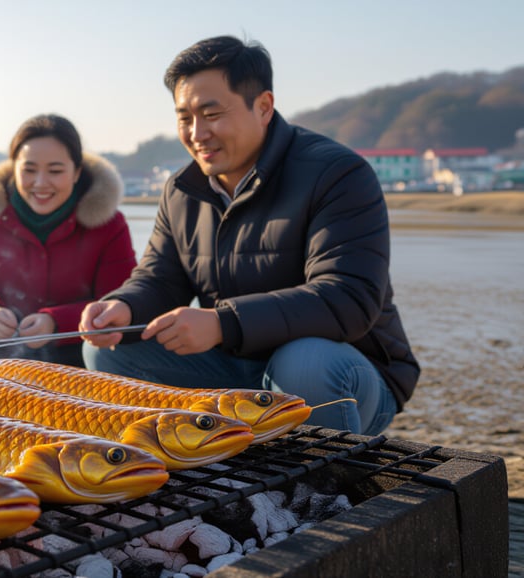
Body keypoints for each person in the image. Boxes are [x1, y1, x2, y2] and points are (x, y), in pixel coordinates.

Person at [79, 36, 419, 435]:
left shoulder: (338, 174)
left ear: (263, 107)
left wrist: (223, 323)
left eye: (211, 113)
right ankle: (213, 450)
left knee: (304, 363)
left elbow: (349, 298)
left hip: (346, 373)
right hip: (235, 367)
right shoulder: (182, 190)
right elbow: (161, 277)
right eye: (184, 117)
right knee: (108, 352)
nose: (197, 132)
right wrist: (124, 307)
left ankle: (326, 485)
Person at [0, 114, 136, 367]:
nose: (41, 183)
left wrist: (55, 322)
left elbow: (119, 301)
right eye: (29, 170)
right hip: (10, 342)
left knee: (112, 353)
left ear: (76, 172)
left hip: (78, 345)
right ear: (14, 169)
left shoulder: (108, 222)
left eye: (55, 171)